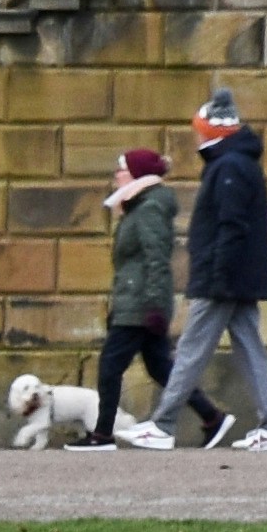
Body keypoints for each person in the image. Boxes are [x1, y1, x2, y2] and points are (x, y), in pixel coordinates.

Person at [164, 88, 267, 451]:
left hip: (223, 278)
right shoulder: (235, 162)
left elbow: (230, 227)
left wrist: (217, 277)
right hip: (235, 277)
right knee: (249, 348)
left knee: (192, 348)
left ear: (213, 132)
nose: (197, 135)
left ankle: (163, 423)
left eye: (200, 129)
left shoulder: (229, 166)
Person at [95, 147, 180, 449]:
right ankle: (212, 417)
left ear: (136, 176)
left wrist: (155, 306)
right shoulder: (140, 205)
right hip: (135, 298)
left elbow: (156, 258)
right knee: (160, 367)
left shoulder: (149, 208)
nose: (116, 176)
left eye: (121, 170)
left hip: (140, 302)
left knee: (110, 366)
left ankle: (102, 434)